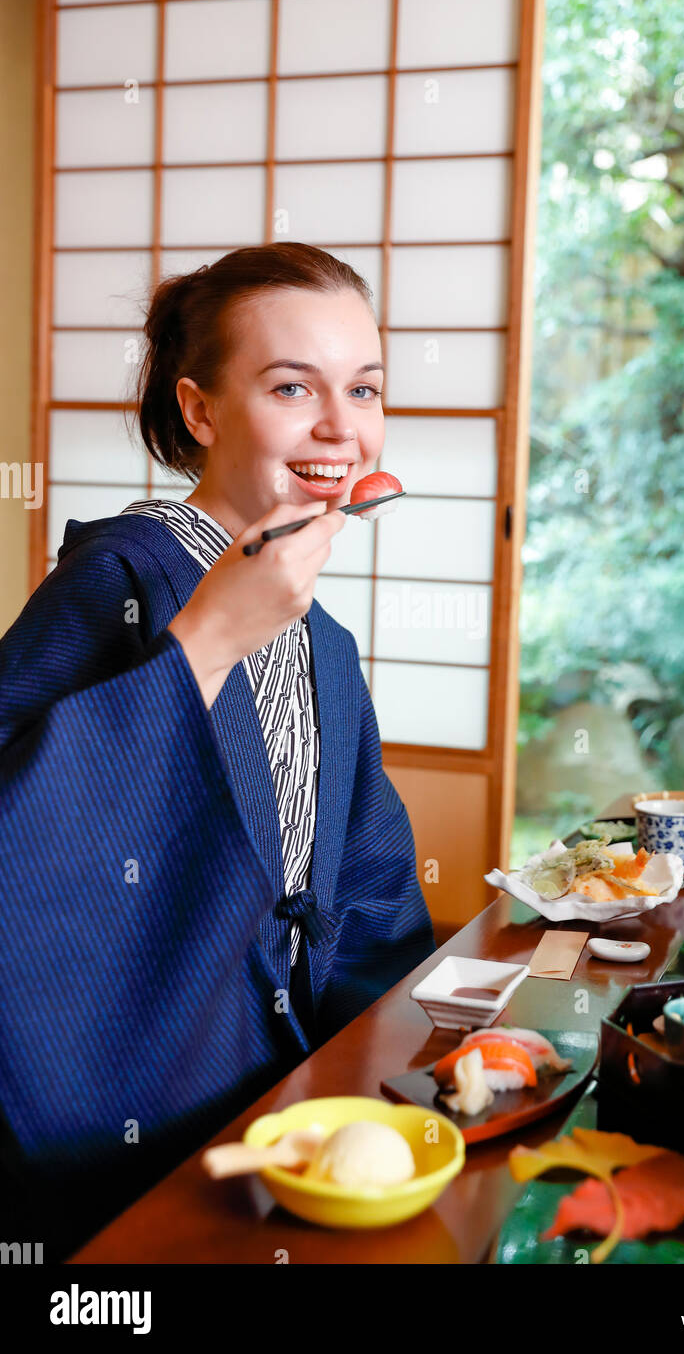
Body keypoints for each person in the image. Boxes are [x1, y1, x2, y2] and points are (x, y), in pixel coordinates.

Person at [0, 242, 435, 1258]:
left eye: (363, 388)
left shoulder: (319, 633)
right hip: (141, 1086)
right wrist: (205, 643)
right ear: (198, 411)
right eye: (292, 386)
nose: (341, 426)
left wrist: (406, 1049)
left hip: (280, 1080)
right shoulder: (117, 577)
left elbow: (366, 881)